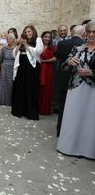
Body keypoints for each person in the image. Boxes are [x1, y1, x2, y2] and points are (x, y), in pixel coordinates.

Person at [57, 21, 95, 159]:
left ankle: (88, 150)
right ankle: (69, 147)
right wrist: (69, 61)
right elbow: (64, 66)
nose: (91, 35)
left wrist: (92, 73)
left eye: (94, 32)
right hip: (75, 87)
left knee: (90, 119)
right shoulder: (78, 48)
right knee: (73, 116)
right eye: (89, 32)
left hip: (92, 91)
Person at [54, 25, 85, 136]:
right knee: (76, 108)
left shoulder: (62, 43)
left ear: (71, 33)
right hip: (79, 80)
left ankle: (60, 130)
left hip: (63, 77)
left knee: (63, 106)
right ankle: (73, 133)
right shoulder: (84, 44)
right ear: (84, 34)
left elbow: (57, 57)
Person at [11, 25, 43, 120]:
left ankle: (30, 112)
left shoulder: (38, 40)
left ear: (33, 31)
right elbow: (14, 53)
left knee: (30, 87)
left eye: (29, 31)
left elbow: (38, 52)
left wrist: (26, 45)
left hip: (32, 67)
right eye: (26, 32)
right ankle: (19, 110)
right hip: (21, 66)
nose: (27, 33)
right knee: (20, 86)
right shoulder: (22, 40)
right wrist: (20, 44)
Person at [0, 33, 16, 106]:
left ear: (13, 40)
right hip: (4, 70)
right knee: (3, 86)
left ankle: (10, 102)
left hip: (13, 69)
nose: (8, 40)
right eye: (7, 39)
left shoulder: (16, 49)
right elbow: (0, 61)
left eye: (10, 39)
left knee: (11, 85)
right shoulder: (4, 48)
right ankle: (2, 101)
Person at [38, 31, 56, 115]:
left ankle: (45, 109)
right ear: (42, 37)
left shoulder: (53, 47)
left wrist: (44, 61)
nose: (47, 38)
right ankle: (37, 108)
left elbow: (55, 59)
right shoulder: (38, 46)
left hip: (49, 69)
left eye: (49, 37)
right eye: (45, 36)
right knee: (38, 88)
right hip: (39, 69)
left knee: (47, 89)